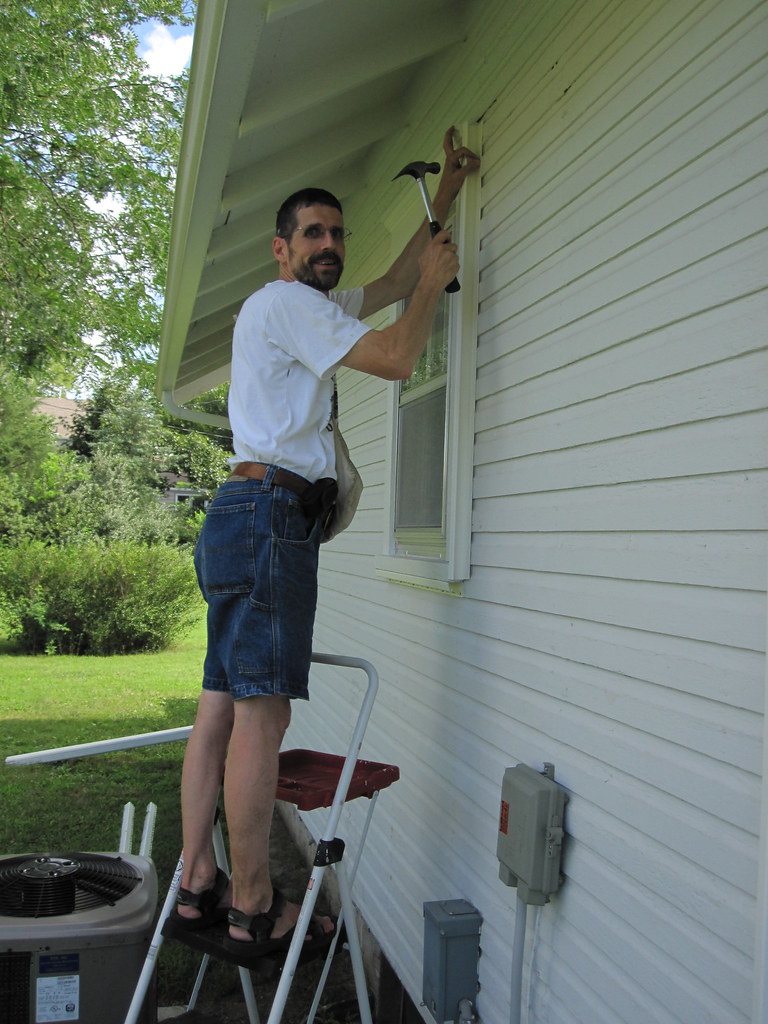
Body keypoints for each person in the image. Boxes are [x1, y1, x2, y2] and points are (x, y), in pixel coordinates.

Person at [173, 127, 480, 962]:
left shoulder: (306, 308)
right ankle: (253, 906)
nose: (330, 246)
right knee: (261, 718)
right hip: (270, 519)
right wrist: (437, 287)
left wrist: (445, 193)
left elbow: (391, 283)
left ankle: (197, 884)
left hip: (242, 515)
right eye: (313, 233)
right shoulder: (287, 304)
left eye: (337, 233)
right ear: (281, 249)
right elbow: (398, 354)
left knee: (219, 708)